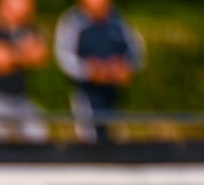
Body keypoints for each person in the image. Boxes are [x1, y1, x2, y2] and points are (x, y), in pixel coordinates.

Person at [55, 0, 145, 144]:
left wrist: (126, 67)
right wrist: (90, 71)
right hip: (86, 95)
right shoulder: (72, 21)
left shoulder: (118, 19)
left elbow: (136, 51)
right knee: (91, 142)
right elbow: (65, 57)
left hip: (114, 94)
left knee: (116, 141)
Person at [0, 0, 51, 143]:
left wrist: (11, 54)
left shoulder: (29, 30)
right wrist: (24, 53)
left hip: (22, 100)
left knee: (39, 137)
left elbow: (42, 56)